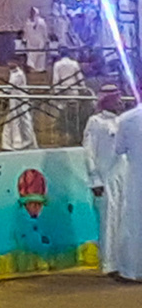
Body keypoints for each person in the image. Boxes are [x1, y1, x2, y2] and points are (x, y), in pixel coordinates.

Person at [83, 88, 124, 276]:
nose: (121, 103)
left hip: (123, 178)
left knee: (123, 220)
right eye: (116, 100)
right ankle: (109, 264)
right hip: (105, 178)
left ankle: (123, 261)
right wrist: (95, 180)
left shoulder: (122, 121)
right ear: (106, 101)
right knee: (108, 220)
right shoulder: (95, 122)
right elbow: (89, 152)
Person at [109, 97, 142, 281]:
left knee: (134, 223)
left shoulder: (127, 119)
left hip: (137, 177)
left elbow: (119, 149)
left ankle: (133, 270)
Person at [1, 59, 36, 150]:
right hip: (14, 100)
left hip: (21, 100)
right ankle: (8, 143)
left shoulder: (19, 74)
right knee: (11, 120)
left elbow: (10, 87)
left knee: (24, 121)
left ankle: (27, 141)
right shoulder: (13, 73)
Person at [22, 7, 50, 73]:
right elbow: (26, 31)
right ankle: (32, 67)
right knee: (31, 54)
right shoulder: (28, 22)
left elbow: (44, 32)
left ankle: (40, 68)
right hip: (31, 40)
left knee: (40, 55)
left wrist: (46, 39)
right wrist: (25, 39)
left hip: (39, 40)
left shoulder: (41, 22)